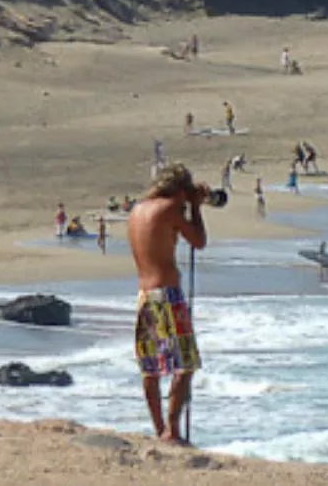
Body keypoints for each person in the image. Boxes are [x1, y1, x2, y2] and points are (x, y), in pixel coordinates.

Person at [127, 164, 208, 445]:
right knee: (185, 364)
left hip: (144, 295)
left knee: (150, 368)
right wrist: (195, 207)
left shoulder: (137, 210)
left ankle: (159, 428)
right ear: (181, 190)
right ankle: (172, 430)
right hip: (167, 295)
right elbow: (198, 241)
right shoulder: (171, 209)